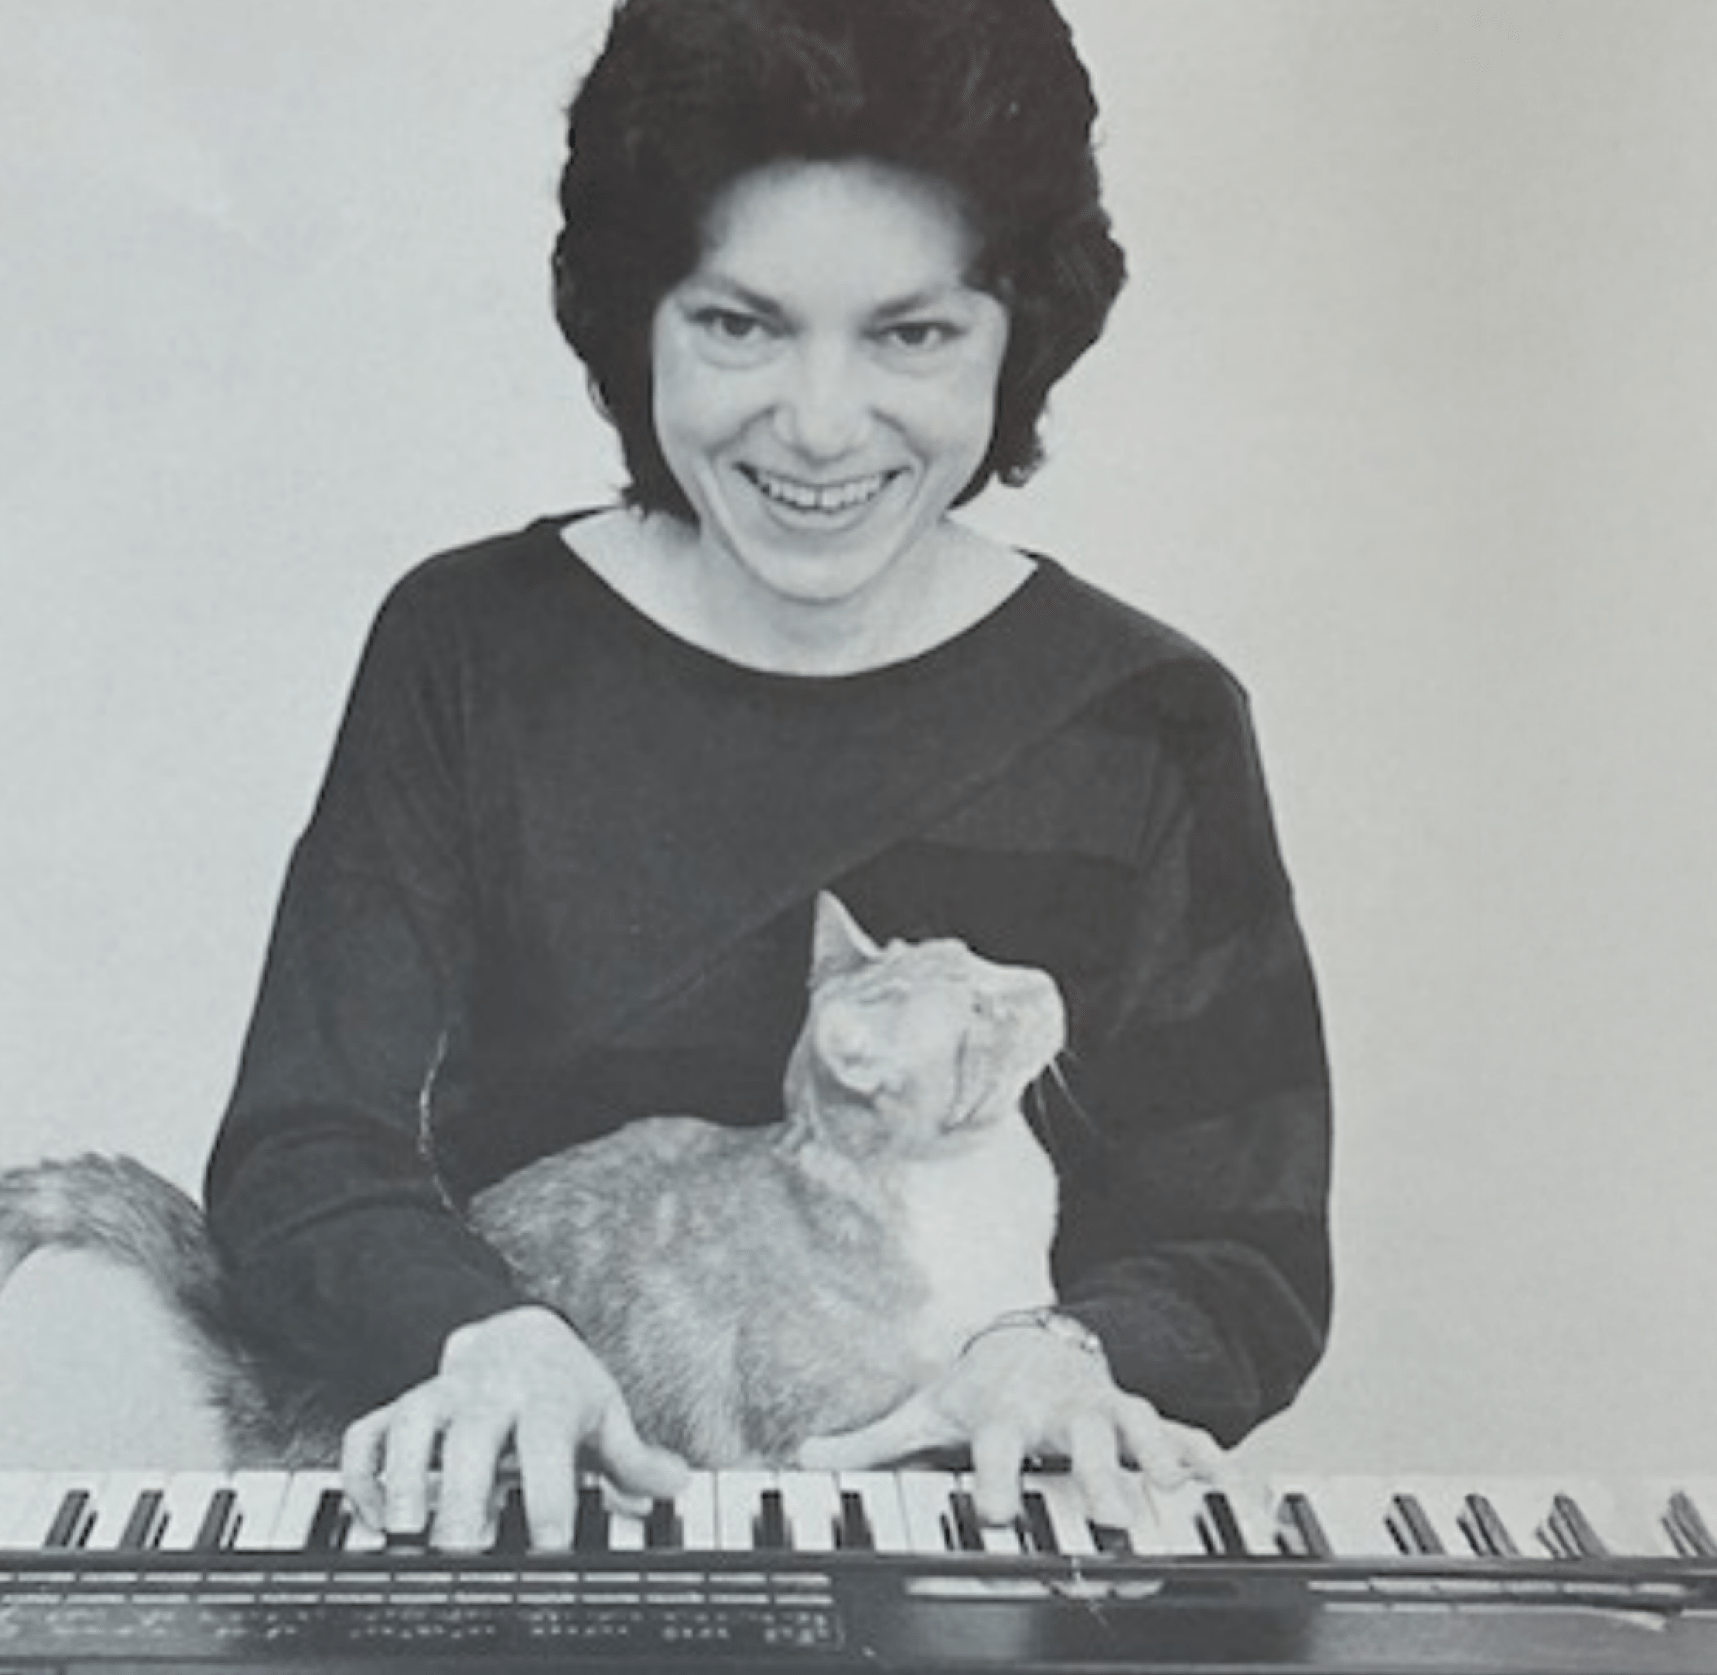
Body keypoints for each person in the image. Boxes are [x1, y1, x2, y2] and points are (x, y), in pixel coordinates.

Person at [204, 0, 1330, 1553]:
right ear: (634, 316)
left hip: (987, 1592)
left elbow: (1245, 1251)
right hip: (529, 1559)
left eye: (912, 333)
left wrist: (1058, 1354)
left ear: (1020, 337)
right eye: (738, 323)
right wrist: (490, 1334)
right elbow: (301, 1149)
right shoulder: (466, 647)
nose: (817, 425)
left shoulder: (1157, 718)